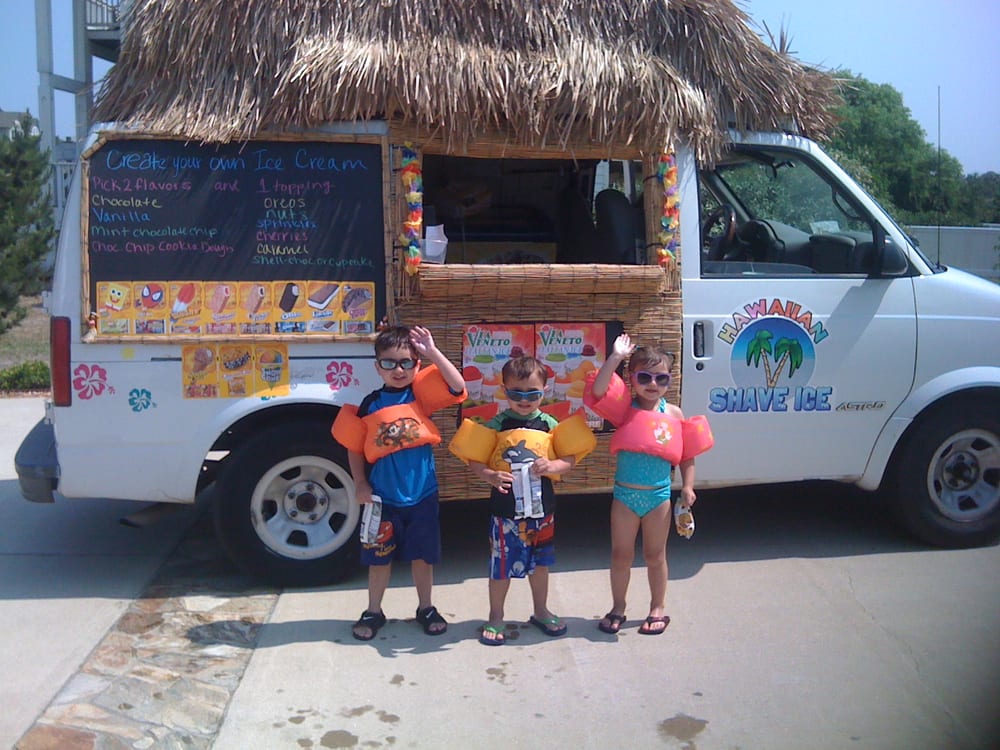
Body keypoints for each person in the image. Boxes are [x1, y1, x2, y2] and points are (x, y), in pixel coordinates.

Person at [332, 325, 466, 641]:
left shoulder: (421, 396)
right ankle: (374, 610)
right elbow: (354, 447)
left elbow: (458, 386)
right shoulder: (369, 405)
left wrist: (431, 351)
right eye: (389, 362)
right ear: (377, 366)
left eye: (407, 362)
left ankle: (426, 607)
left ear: (416, 365)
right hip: (383, 499)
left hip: (422, 495)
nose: (398, 369)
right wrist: (360, 484)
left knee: (423, 556)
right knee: (379, 559)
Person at [450, 356, 596, 645]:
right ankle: (495, 616)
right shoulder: (495, 424)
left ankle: (541, 610)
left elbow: (570, 458)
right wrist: (490, 474)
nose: (524, 400)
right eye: (516, 393)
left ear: (544, 390)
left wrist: (554, 467)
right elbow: (474, 460)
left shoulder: (550, 423)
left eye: (532, 394)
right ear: (504, 391)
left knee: (540, 565)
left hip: (542, 509)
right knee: (500, 567)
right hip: (505, 510)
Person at [584, 333, 713, 636]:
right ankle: (618, 607)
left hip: (659, 497)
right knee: (620, 555)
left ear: (670, 379)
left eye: (661, 378)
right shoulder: (625, 409)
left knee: (656, 556)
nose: (653, 384)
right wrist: (616, 356)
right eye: (644, 377)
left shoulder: (674, 414)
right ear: (631, 379)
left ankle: (658, 607)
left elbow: (687, 455)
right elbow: (599, 390)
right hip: (625, 495)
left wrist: (688, 487)